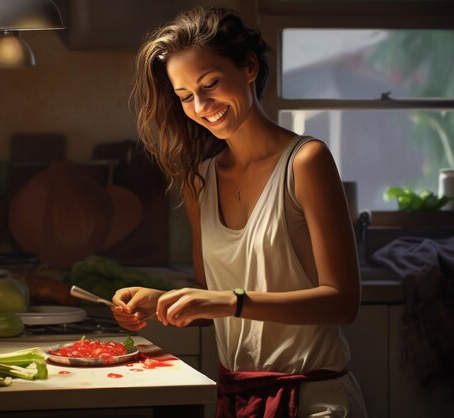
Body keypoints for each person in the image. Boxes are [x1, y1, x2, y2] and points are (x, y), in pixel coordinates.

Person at [111, 6, 368, 418]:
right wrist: (163, 302)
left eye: (210, 84)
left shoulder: (306, 161)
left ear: (249, 67)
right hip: (237, 400)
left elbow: (342, 303)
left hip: (314, 400)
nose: (201, 105)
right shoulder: (200, 179)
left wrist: (228, 302)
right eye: (184, 97)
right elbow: (212, 298)